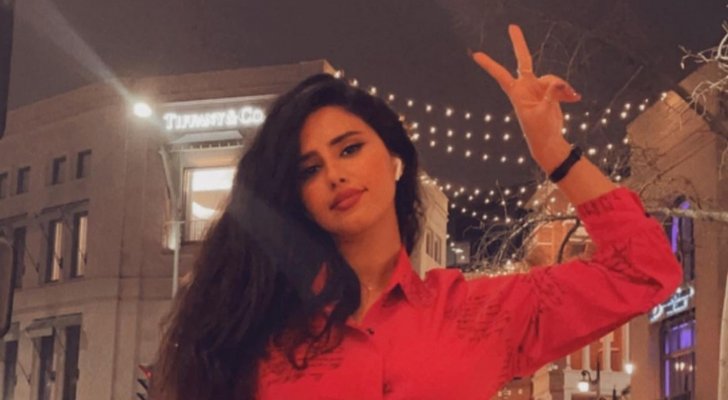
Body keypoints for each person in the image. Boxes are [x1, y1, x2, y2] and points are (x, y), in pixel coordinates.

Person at [152, 25, 682, 400]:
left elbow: (645, 271)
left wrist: (553, 153)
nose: (334, 174)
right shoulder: (259, 329)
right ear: (298, 198)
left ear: (396, 160)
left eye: (350, 148)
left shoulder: (479, 313)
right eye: (308, 170)